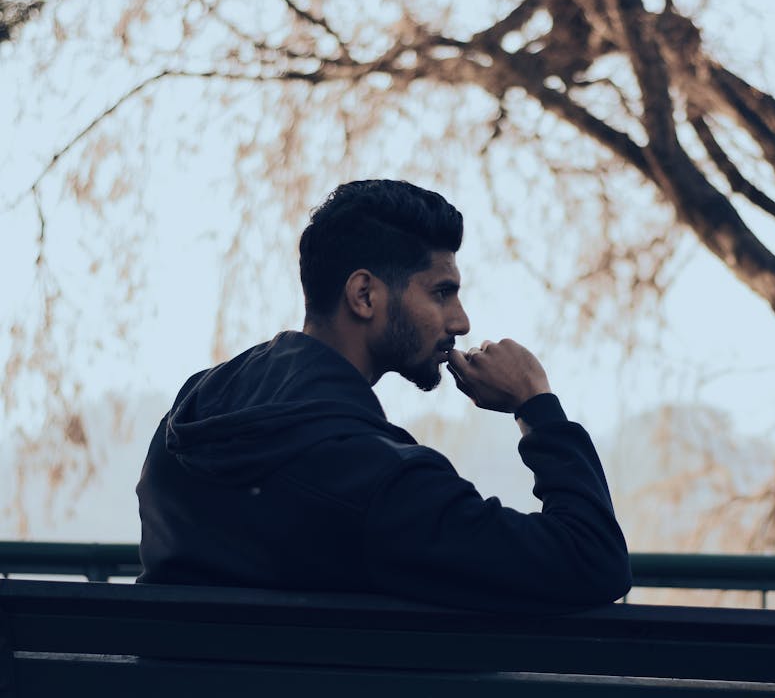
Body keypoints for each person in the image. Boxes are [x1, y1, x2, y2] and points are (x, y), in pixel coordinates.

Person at [136, 179, 631, 613]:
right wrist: (536, 405)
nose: (461, 322)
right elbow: (591, 559)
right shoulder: (383, 486)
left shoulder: (189, 417)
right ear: (365, 296)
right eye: (441, 292)